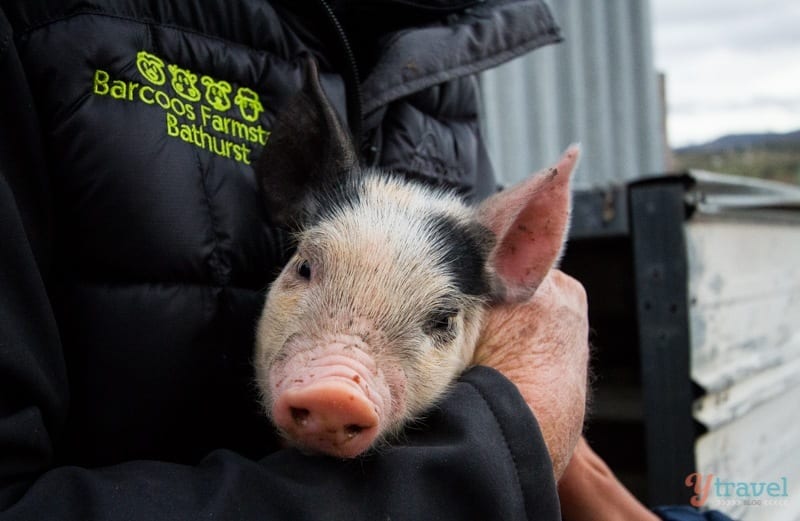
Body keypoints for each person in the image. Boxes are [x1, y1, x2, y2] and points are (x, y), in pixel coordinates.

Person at [0, 1, 688, 519]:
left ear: (522, 248)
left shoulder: (438, 41)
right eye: (305, 267)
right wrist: (516, 432)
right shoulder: (42, 27)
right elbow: (520, 407)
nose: (337, 382)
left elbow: (498, 368)